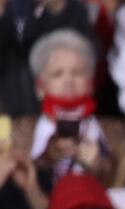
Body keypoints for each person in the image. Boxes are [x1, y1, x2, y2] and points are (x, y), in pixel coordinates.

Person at [15, 30, 116, 188]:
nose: (68, 81)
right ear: (39, 87)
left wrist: (97, 165)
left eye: (77, 72)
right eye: (57, 74)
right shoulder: (21, 132)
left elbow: (117, 178)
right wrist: (49, 157)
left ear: (91, 83)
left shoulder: (105, 129)